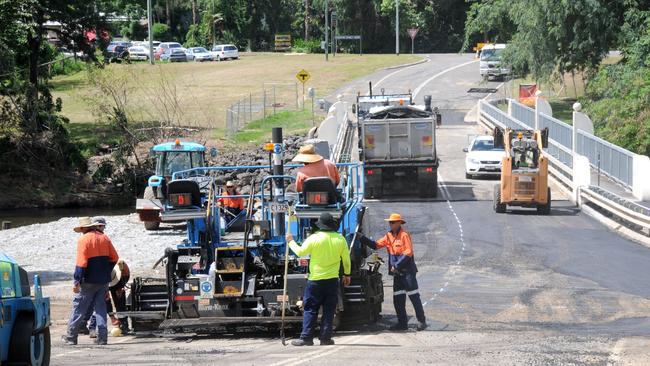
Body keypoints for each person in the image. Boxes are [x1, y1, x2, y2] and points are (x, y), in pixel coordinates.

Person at [286, 212, 351, 346]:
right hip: (332, 281)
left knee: (310, 308)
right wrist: (347, 274)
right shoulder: (340, 239)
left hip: (315, 280)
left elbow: (300, 252)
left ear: (320, 225)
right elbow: (346, 260)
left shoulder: (314, 238)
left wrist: (290, 241)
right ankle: (325, 338)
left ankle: (306, 338)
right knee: (329, 310)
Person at [360, 213, 427, 331]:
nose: (390, 224)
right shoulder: (388, 236)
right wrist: (361, 238)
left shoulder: (404, 235)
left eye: (392, 222)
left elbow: (408, 252)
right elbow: (376, 245)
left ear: (399, 223)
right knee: (398, 300)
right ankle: (402, 324)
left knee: (414, 297)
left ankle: (422, 321)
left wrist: (396, 265)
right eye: (389, 222)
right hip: (397, 274)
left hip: (407, 273)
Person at [62, 217, 119, 346]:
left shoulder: (83, 239)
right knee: (100, 308)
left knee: (79, 309)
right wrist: (106, 272)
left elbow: (81, 263)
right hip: (103, 282)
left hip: (87, 281)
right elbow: (115, 257)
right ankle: (102, 338)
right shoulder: (105, 238)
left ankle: (71, 337)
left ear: (83, 229)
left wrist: (77, 281)